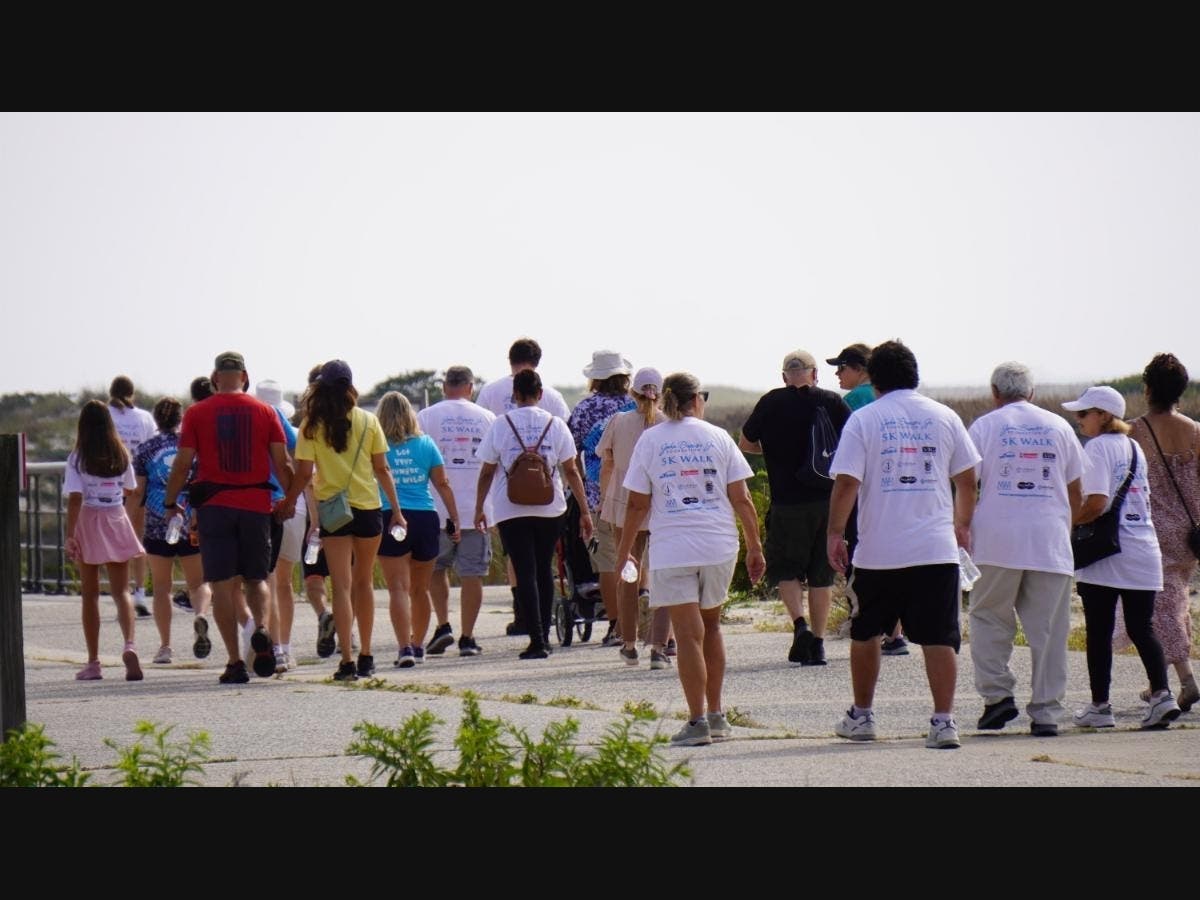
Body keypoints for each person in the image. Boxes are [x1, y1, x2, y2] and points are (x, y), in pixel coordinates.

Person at [827, 340, 980, 750]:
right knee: (939, 636)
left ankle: (862, 715)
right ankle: (944, 721)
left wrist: (835, 533)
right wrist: (962, 525)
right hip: (935, 548)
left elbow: (847, 482)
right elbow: (967, 479)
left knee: (866, 632)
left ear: (874, 378)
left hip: (879, 550)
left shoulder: (864, 419)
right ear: (914, 375)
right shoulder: (945, 416)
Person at [617, 372, 765, 746]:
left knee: (687, 636)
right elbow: (742, 498)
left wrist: (625, 552)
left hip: (673, 548)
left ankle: (697, 721)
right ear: (696, 399)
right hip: (718, 544)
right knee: (711, 627)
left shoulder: (651, 440)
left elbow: (637, 505)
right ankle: (716, 715)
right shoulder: (718, 437)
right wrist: (755, 546)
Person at [966, 363, 1085, 736]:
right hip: (1049, 540)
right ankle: (1046, 711)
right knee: (1049, 630)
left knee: (988, 617)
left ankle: (997, 696)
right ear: (1032, 392)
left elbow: (967, 483)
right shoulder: (1060, 426)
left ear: (994, 392)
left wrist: (962, 526)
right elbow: (1076, 490)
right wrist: (1064, 526)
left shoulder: (984, 426)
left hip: (995, 539)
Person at [164, 351, 293, 684]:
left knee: (222, 585)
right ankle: (261, 628)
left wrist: (170, 502)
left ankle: (235, 662)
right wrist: (290, 499)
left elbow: (182, 464)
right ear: (245, 377)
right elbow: (283, 463)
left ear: (215, 378)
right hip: (256, 505)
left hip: (215, 507)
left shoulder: (197, 413)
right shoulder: (266, 411)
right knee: (257, 579)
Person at [1065, 385, 1182, 729]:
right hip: (1143, 547)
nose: (1078, 420)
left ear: (1103, 416)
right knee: (1142, 628)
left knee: (1099, 632)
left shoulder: (1098, 447)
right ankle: (1162, 695)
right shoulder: (1134, 447)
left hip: (1107, 553)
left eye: (1083, 413)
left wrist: (1067, 522)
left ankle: (1100, 707)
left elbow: (1097, 503)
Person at [283, 360, 404, 682]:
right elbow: (382, 469)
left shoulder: (311, 425)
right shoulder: (368, 420)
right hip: (367, 507)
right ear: (351, 386)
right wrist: (396, 510)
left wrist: (288, 501)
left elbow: (303, 474)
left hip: (333, 511)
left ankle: (347, 660)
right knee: (364, 583)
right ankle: (367, 655)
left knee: (341, 585)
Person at [740, 350, 850, 666]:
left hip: (786, 502)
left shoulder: (771, 402)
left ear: (784, 377)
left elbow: (745, 443)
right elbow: (852, 441)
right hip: (826, 501)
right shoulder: (830, 401)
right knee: (821, 575)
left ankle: (800, 625)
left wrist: (773, 451)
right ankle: (818, 643)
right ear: (815, 374)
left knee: (785, 569)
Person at [474, 369, 592, 659]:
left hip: (510, 508)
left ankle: (536, 639)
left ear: (515, 395)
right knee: (543, 569)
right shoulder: (555, 424)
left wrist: (479, 508)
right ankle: (547, 637)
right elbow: (571, 470)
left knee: (524, 570)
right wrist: (584, 511)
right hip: (550, 507)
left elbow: (487, 471)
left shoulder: (501, 424)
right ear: (540, 394)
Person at [475, 337, 571, 635]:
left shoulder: (491, 395)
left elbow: (486, 465)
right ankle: (544, 627)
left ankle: (526, 622)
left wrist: (480, 506)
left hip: (509, 499)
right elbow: (570, 462)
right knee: (543, 567)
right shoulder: (554, 402)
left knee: (520, 565)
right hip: (549, 500)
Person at [1121, 354, 1200, 712]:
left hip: (1149, 528)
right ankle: (1158, 682)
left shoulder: (1134, 431)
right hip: (1189, 532)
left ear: (1147, 389)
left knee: (1157, 609)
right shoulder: (1195, 431)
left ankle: (1186, 680)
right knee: (1174, 602)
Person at [828, 343, 908, 655]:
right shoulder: (893, 401)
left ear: (861, 368)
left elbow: (844, 461)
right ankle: (896, 631)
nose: (838, 374)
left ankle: (871, 628)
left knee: (864, 565)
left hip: (864, 492)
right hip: (900, 490)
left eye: (842, 367)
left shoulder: (850, 402)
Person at [375, 391, 461, 668]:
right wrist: (455, 518)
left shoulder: (378, 445)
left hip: (391, 515)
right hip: (425, 517)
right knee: (420, 589)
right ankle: (418, 645)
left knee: (398, 588)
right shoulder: (426, 443)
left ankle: (404, 648)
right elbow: (443, 484)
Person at [64, 400, 146, 681]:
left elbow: (75, 498)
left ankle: (94, 662)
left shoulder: (78, 457)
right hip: (116, 517)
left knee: (90, 595)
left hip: (89, 519)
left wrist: (70, 535)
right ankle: (130, 644)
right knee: (122, 591)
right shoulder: (120, 453)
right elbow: (131, 489)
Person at [418, 365, 496, 657]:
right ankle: (467, 636)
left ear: (444, 387)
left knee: (436, 569)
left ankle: (443, 624)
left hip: (436, 507)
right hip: (476, 508)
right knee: (472, 573)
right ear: (470, 387)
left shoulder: (426, 416)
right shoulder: (487, 417)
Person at [598, 367, 673, 667]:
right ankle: (659, 646)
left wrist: (605, 500)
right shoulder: (669, 424)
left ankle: (628, 644)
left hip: (623, 502)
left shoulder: (618, 421)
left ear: (633, 392)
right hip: (662, 504)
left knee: (627, 572)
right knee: (663, 574)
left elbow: (607, 464)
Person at [133, 397, 213, 664]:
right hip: (191, 519)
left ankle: (165, 647)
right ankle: (200, 615)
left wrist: (132, 522)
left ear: (156, 419)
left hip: (157, 522)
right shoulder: (194, 446)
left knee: (161, 587)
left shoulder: (145, 450)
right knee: (198, 583)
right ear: (181, 419)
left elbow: (138, 491)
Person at [567, 350, 636, 645]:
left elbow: (570, 453)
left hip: (599, 495)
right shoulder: (636, 405)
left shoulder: (584, 409)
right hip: (638, 493)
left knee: (608, 563)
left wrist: (582, 484)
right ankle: (641, 618)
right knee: (639, 558)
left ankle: (616, 624)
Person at [255, 379, 300, 672]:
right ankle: (284, 647)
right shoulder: (289, 427)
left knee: (264, 580)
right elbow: (295, 464)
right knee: (285, 582)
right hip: (288, 502)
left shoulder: (249, 419)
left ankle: (267, 644)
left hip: (256, 501)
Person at [108, 376, 157, 618]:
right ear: (132, 393)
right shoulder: (145, 418)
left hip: (109, 486)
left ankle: (122, 594)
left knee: (116, 543)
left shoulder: (105, 415)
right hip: (138, 486)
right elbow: (152, 451)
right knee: (138, 540)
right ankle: (139, 592)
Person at [826, 344, 875, 411]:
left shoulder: (854, 398)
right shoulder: (882, 392)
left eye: (841, 368)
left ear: (858, 368)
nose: (837, 373)